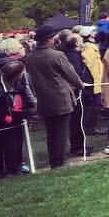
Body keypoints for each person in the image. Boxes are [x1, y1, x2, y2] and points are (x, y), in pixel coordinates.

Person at [24, 24, 84, 168]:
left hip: (43, 99)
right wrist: (81, 85)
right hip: (60, 98)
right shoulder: (56, 55)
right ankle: (60, 163)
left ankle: (54, 161)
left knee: (51, 134)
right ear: (50, 39)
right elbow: (71, 75)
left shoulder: (30, 57)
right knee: (61, 134)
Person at [0, 39, 35, 180]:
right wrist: (32, 103)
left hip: (10, 107)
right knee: (9, 139)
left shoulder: (0, 65)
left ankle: (4, 168)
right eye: (20, 47)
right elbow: (22, 87)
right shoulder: (10, 67)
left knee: (5, 140)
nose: (23, 49)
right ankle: (10, 167)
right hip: (10, 108)